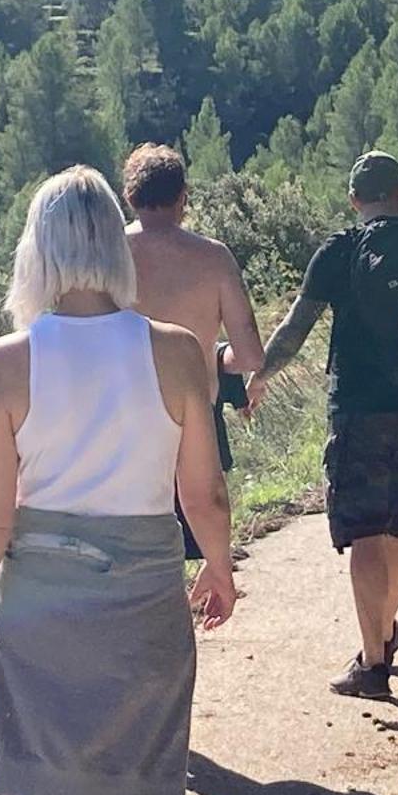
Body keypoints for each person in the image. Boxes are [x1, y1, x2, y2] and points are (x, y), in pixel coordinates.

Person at [0, 166, 236, 795]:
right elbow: (203, 493)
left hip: (37, 614)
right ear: (115, 244)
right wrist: (217, 566)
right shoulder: (176, 354)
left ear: (35, 251)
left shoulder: (8, 362)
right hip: (142, 606)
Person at [247, 151, 398, 700]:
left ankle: (372, 664)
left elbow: (297, 328)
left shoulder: (339, 253)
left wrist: (260, 374)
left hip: (360, 406)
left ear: (353, 200)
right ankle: (385, 631)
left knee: (366, 532)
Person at [122, 144, 266, 555]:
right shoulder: (213, 258)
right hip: (194, 420)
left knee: (135, 558)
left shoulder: (109, 256)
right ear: (183, 196)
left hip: (122, 425)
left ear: (129, 196)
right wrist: (216, 355)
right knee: (200, 551)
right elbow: (252, 357)